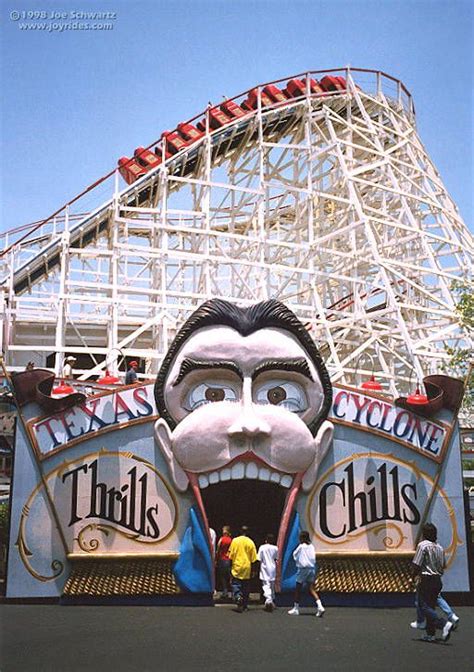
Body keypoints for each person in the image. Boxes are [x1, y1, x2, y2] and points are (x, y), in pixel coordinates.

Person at [412, 522, 454, 642]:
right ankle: (430, 634)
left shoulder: (423, 546)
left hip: (426, 579)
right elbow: (443, 565)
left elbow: (417, 563)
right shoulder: (439, 548)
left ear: (424, 534)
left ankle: (444, 624)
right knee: (431, 606)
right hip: (437, 580)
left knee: (422, 605)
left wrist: (413, 576)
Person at [288, 530, 324, 617]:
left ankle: (296, 608)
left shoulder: (301, 547)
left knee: (298, 588)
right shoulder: (311, 546)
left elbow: (294, 555)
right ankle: (320, 606)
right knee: (311, 588)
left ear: (303, 538)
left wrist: (298, 561)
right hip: (311, 568)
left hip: (303, 569)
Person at [228, 525, 257, 612]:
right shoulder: (250, 542)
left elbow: (231, 555)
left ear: (240, 531)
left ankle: (238, 596)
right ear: (247, 532)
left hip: (237, 566)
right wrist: (254, 570)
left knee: (236, 584)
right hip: (246, 567)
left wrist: (230, 567)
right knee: (246, 587)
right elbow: (254, 559)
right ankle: (245, 605)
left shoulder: (235, 541)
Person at [257, 533, 278, 612]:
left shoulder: (262, 547)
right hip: (273, 567)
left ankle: (268, 600)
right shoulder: (275, 548)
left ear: (266, 540)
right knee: (272, 585)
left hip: (265, 568)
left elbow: (259, 559)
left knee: (266, 585)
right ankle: (272, 600)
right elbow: (276, 558)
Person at [216, 525, 232, 599]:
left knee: (223, 577)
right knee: (229, 576)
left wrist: (216, 559)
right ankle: (232, 592)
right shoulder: (231, 540)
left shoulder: (222, 539)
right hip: (228, 560)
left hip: (222, 559)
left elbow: (218, 549)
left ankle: (225, 592)